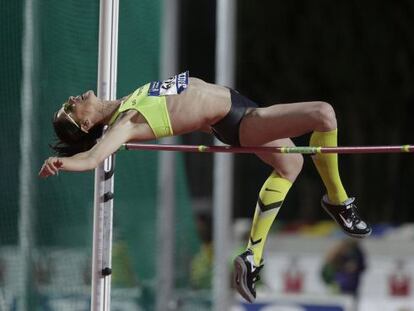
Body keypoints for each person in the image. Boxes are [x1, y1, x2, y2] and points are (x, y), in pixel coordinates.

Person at [39, 71, 371, 303]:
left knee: (291, 164)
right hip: (237, 121)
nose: (71, 99)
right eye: (69, 109)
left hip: (239, 108)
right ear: (85, 123)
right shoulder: (125, 124)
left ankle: (252, 257)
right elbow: (94, 156)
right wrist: (65, 162)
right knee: (323, 114)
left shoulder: (126, 103)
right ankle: (338, 200)